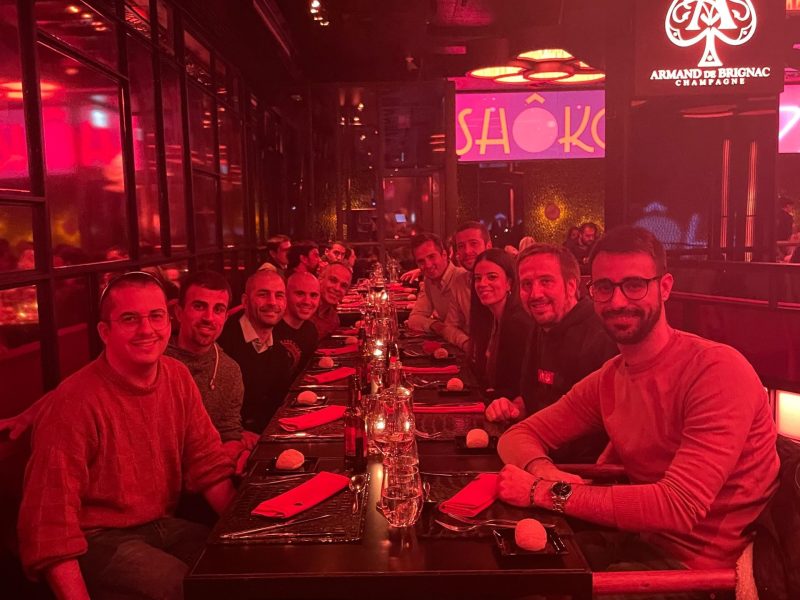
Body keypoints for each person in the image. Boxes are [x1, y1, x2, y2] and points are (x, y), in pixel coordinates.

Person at [497, 226, 779, 574]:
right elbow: (516, 437)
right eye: (604, 287)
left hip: (698, 574)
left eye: (634, 285)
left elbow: (677, 506)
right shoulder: (611, 377)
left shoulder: (716, 371)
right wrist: (544, 471)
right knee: (504, 572)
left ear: (665, 287)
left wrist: (545, 492)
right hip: (636, 543)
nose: (617, 301)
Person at [17, 271, 235, 600]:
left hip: (162, 523)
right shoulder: (73, 403)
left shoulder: (177, 376)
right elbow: (49, 524)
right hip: (97, 538)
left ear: (168, 320)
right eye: (130, 318)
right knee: (182, 585)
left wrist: (245, 535)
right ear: (105, 331)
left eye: (155, 316)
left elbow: (207, 464)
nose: (147, 329)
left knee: (234, 568)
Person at [485, 244, 618, 463]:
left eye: (546, 282)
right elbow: (531, 399)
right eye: (527, 284)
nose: (535, 294)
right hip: (541, 453)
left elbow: (610, 432)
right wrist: (512, 407)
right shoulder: (540, 327)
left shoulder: (600, 335)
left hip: (579, 471)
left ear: (571, 285)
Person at [165, 271, 259, 474]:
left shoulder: (229, 370)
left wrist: (235, 449)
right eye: (199, 306)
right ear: (179, 312)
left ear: (225, 317)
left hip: (204, 481)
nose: (209, 318)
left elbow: (230, 436)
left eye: (218, 309)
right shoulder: (156, 361)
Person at [217, 269, 294, 431]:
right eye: (263, 294)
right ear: (245, 301)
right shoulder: (222, 342)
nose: (272, 302)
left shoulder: (280, 351)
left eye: (279, 295)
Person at [469, 249, 532, 399]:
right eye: (478, 278)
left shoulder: (518, 323)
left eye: (492, 277)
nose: (482, 284)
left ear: (509, 283)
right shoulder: (490, 318)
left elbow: (517, 388)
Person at [442, 221, 491, 352]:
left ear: (488, 246)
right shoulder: (460, 282)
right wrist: (467, 344)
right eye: (461, 246)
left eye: (474, 244)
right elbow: (449, 327)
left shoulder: (504, 282)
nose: (467, 251)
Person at [406, 233, 466, 337]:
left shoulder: (463, 278)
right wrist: (435, 325)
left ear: (444, 255)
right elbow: (414, 318)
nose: (428, 265)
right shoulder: (429, 281)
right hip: (451, 343)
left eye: (431, 257)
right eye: (421, 261)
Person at [273, 271, 320, 376]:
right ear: (286, 294)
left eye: (313, 295)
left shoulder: (311, 331)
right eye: (300, 293)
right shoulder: (270, 328)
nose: (307, 301)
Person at [311, 262, 352, 339]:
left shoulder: (333, 320)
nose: (337, 288)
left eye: (343, 286)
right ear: (320, 279)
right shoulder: (304, 307)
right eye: (333, 280)